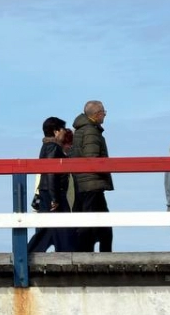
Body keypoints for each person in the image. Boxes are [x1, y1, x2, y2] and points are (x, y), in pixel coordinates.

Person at [72, 100, 114, 253]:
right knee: (95, 224)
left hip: (86, 183)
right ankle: (92, 255)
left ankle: (93, 254)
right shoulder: (91, 131)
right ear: (97, 114)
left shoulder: (82, 130)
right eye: (104, 112)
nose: (105, 115)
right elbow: (92, 159)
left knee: (99, 224)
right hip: (91, 183)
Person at [27, 117, 74, 253]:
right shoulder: (53, 147)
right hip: (53, 192)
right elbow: (51, 172)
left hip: (48, 191)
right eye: (63, 129)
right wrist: (54, 198)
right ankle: (29, 254)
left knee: (49, 229)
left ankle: (29, 254)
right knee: (60, 228)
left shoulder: (47, 146)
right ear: (56, 132)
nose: (64, 132)